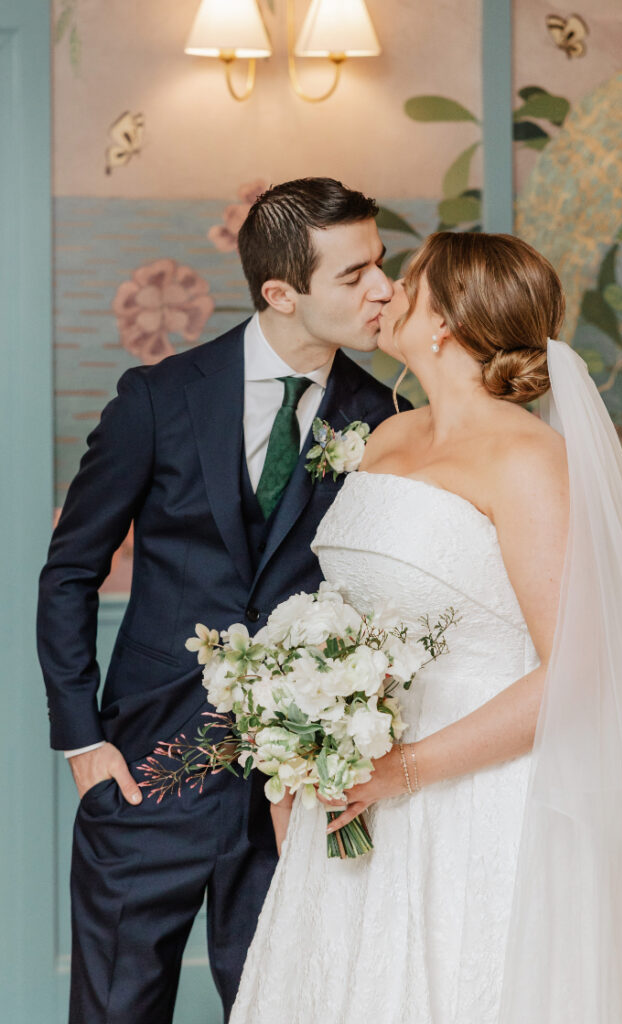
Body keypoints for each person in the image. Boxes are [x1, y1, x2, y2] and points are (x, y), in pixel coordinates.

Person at [231, 231, 622, 1024]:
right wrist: (303, 739)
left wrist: (405, 770)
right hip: (355, 794)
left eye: (410, 280)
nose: (388, 290)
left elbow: (579, 667)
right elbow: (346, 622)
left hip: (475, 800)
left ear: (444, 322)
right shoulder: (389, 435)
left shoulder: (529, 462)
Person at [37, 177, 401, 1024]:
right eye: (355, 275)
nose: (384, 288)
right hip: (146, 775)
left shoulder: (386, 418)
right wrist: (82, 743)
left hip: (295, 796)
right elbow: (69, 572)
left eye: (381, 263)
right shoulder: (157, 401)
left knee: (285, 1009)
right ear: (281, 292)